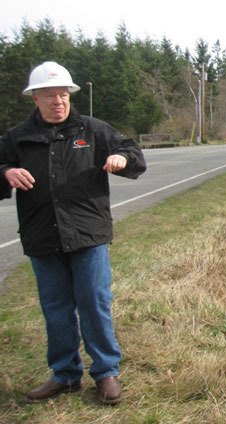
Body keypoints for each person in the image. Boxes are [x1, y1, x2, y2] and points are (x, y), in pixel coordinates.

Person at [0, 61, 147, 405]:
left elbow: (134, 153)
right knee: (56, 308)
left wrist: (123, 158)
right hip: (42, 237)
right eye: (50, 96)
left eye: (63, 95)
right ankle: (65, 375)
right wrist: (5, 173)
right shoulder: (16, 137)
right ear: (34, 98)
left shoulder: (92, 130)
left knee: (94, 303)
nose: (58, 102)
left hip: (88, 235)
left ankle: (106, 372)